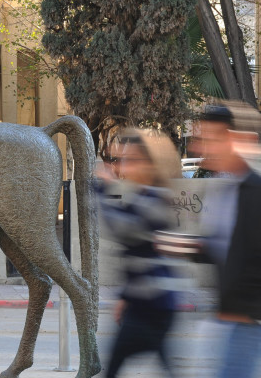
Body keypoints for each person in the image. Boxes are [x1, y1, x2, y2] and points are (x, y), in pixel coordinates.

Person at [97, 128, 184, 377]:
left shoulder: (156, 199)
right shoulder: (143, 196)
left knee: (113, 366)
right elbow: (137, 253)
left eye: (131, 160)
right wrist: (125, 296)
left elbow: (123, 229)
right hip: (149, 304)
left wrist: (104, 190)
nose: (124, 166)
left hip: (153, 305)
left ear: (149, 164)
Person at [189, 102, 261, 378]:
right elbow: (222, 249)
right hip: (223, 321)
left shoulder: (254, 191)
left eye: (210, 139)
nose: (201, 148)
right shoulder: (223, 189)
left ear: (231, 139)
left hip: (244, 325)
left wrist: (240, 312)